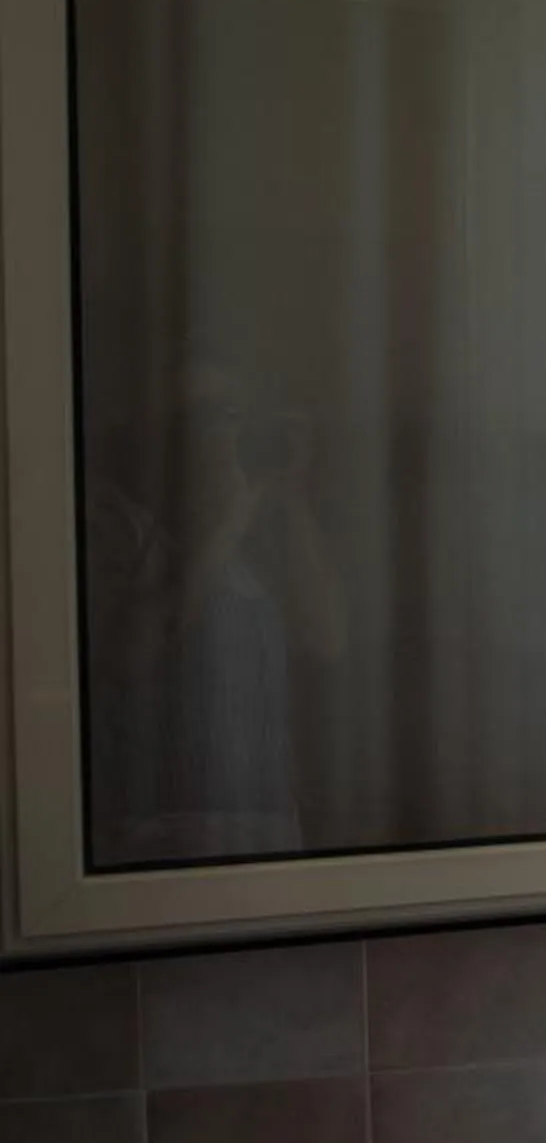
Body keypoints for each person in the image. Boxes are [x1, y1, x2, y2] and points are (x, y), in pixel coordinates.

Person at [83, 354, 345, 863]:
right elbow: (130, 654)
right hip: (159, 846)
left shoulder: (250, 535)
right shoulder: (120, 523)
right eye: (206, 416)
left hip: (268, 836)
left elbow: (327, 637)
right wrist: (224, 523)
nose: (226, 434)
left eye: (235, 413)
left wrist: (288, 498)